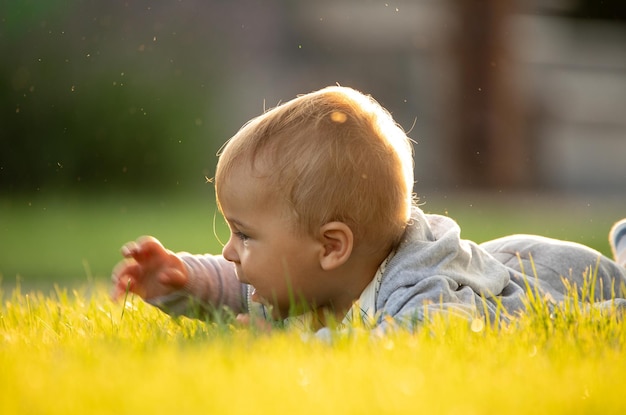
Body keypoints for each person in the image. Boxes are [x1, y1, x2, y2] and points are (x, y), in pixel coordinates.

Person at [111, 86, 626, 333]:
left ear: (332, 247)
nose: (230, 252)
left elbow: (409, 347)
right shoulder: (307, 276)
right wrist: (182, 281)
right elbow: (239, 289)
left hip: (547, 277)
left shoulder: (420, 290)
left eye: (245, 236)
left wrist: (283, 350)